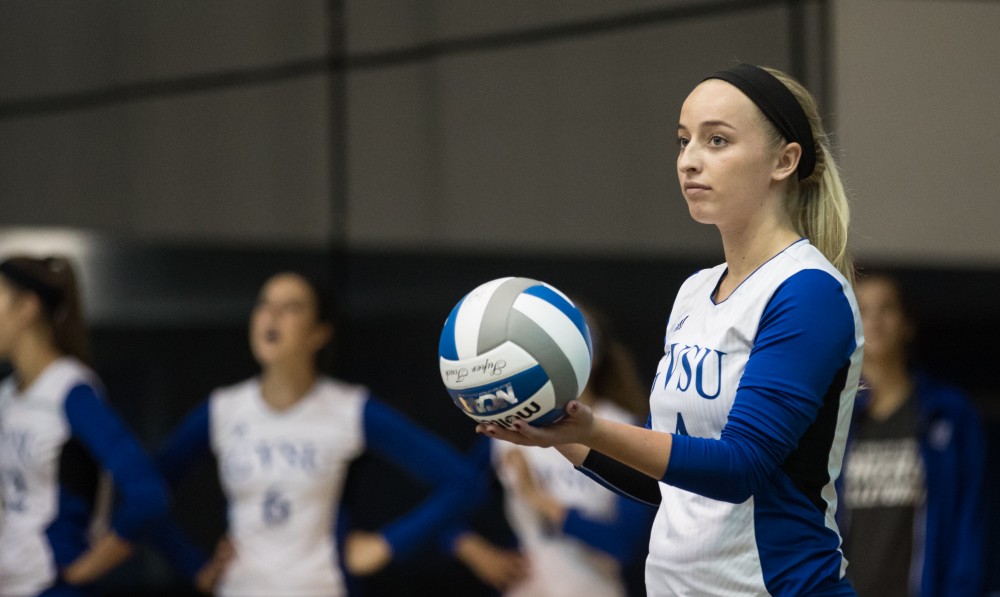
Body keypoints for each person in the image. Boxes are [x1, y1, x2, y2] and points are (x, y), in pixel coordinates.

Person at [479, 62, 864, 596]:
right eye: (684, 141)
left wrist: (592, 429)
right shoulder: (694, 292)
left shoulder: (807, 291)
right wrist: (562, 440)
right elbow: (675, 486)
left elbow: (739, 468)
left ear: (784, 160)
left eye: (717, 140)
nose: (689, 161)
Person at [151, 271, 483, 597]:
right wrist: (193, 566)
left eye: (291, 307)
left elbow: (464, 482)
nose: (273, 315)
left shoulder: (349, 408)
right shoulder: (223, 409)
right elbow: (145, 491)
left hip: (318, 586)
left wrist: (387, 545)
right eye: (264, 304)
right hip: (239, 587)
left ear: (319, 333)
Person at [447, 306, 656, 596]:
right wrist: (469, 546)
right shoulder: (511, 427)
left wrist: (542, 501)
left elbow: (626, 546)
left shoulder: (625, 429)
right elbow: (446, 497)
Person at [0, 255, 169, 597]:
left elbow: (147, 494)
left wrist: (86, 569)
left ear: (27, 308)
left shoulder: (70, 392)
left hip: (53, 586)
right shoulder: (6, 396)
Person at [840, 273, 985, 596]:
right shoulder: (834, 418)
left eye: (886, 309)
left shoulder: (948, 412)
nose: (874, 320)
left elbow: (971, 518)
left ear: (907, 324)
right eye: (863, 310)